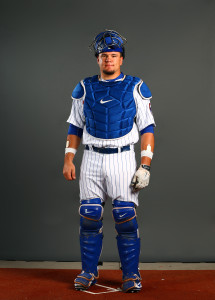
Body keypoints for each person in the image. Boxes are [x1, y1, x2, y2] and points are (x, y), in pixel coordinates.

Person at [63, 30, 155, 293]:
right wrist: (69, 159)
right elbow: (74, 127)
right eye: (104, 56)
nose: (109, 60)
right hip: (91, 157)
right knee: (89, 216)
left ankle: (131, 275)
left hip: (123, 156)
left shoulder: (135, 87)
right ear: (98, 59)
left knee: (125, 217)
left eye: (114, 56)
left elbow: (148, 128)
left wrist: (145, 165)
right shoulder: (84, 87)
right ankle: (89, 271)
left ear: (121, 59)